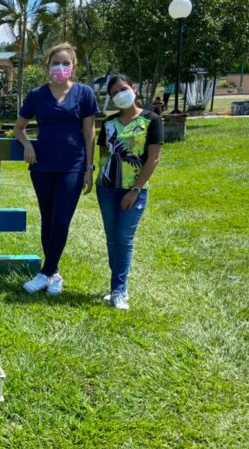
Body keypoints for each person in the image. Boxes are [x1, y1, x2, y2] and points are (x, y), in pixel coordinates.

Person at [14, 42, 98, 296]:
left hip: (72, 165)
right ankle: (54, 273)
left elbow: (89, 132)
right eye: (55, 63)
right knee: (48, 219)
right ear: (47, 66)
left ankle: (45, 272)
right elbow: (19, 128)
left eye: (65, 63)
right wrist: (27, 145)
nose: (60, 68)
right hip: (43, 166)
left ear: (73, 67)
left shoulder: (84, 93)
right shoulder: (37, 95)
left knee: (62, 220)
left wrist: (89, 167)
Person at [96, 74, 163, 311]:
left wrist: (135, 189)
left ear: (133, 88)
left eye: (122, 89)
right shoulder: (108, 123)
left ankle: (119, 291)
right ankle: (116, 286)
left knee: (124, 238)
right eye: (113, 93)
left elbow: (153, 158)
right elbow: (104, 152)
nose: (119, 95)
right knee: (112, 239)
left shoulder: (151, 120)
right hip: (106, 189)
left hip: (134, 191)